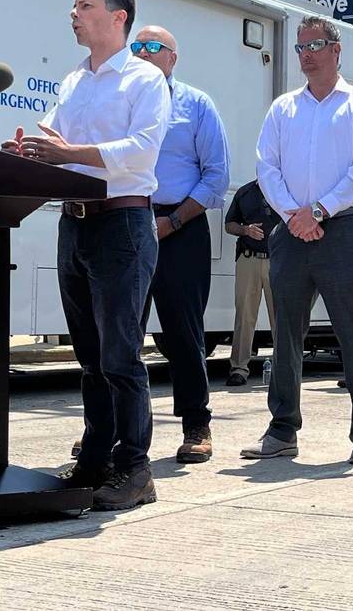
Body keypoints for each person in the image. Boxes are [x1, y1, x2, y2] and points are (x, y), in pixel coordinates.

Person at [1, 0, 170, 510]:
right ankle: (95, 458)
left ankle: (135, 469)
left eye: (85, 5)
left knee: (121, 355)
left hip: (121, 224)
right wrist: (28, 152)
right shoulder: (74, 80)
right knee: (90, 357)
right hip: (74, 224)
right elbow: (54, 143)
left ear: (119, 18)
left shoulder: (144, 79)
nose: (73, 14)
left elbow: (141, 151)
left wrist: (69, 152)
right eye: (74, 5)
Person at [241, 15, 353, 466]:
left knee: (352, 330)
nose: (306, 54)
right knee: (285, 332)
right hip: (290, 230)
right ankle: (282, 429)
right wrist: (293, 214)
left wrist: (319, 211)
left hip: (341, 229)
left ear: (336, 50)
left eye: (315, 45)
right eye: (301, 47)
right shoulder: (283, 108)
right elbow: (266, 166)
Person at [131, 25, 230, 465]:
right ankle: (112, 427)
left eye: (154, 47)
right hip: (127, 222)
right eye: (137, 46)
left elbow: (216, 176)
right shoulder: (121, 103)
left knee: (183, 333)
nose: (143, 52)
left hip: (181, 225)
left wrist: (171, 222)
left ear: (172, 58)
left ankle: (196, 425)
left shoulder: (196, 104)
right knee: (119, 332)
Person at [224, 179, 280, 387]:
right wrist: (246, 230)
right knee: (244, 316)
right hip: (249, 258)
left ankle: (284, 369)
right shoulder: (245, 192)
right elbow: (229, 225)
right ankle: (239, 368)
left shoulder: (284, 188)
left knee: (281, 317)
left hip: (278, 260)